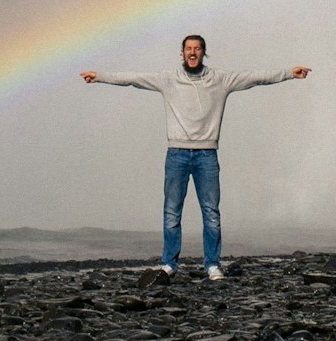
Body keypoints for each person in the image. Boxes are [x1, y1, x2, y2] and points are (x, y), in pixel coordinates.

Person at [81, 35, 310, 279]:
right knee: (172, 211)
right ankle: (169, 264)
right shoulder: (168, 79)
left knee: (211, 212)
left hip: (207, 155)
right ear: (182, 53)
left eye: (197, 48)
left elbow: (255, 78)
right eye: (188, 49)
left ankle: (212, 265)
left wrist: (289, 73)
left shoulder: (220, 80)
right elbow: (133, 79)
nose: (193, 52)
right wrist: (100, 77)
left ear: (203, 52)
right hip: (176, 153)